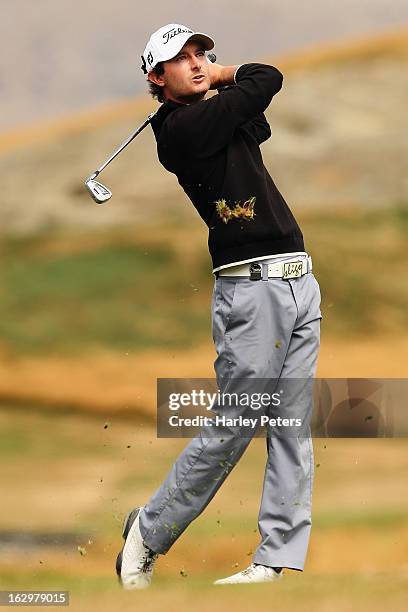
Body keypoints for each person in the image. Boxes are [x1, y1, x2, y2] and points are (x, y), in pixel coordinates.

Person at [116, 23, 322, 589]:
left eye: (201, 53)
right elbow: (266, 78)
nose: (199, 63)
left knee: (291, 426)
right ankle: (148, 533)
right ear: (157, 79)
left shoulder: (215, 114)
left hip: (298, 280)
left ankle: (273, 560)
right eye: (181, 60)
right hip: (252, 290)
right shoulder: (180, 129)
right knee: (235, 424)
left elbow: (258, 116)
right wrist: (225, 76)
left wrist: (214, 83)